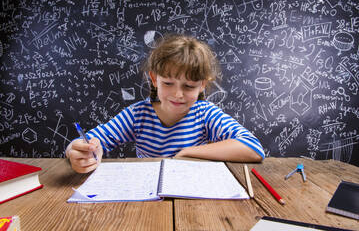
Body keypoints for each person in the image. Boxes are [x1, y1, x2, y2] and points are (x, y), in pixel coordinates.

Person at [66, 34, 264, 173]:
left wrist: (188, 152)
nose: (178, 94)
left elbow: (253, 148)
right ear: (154, 79)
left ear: (202, 85)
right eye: (168, 83)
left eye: (189, 86)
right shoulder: (137, 115)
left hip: (194, 193)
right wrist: (80, 151)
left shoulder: (205, 113)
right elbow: (87, 142)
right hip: (148, 194)